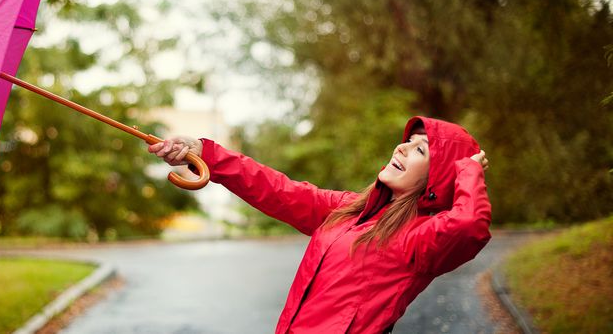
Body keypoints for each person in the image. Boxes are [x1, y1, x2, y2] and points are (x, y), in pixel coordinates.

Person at [148, 116, 491, 334]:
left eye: (421, 150)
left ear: (439, 177)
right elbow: (277, 189)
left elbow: (469, 226)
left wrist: (468, 171)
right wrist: (206, 154)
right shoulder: (348, 210)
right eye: (407, 141)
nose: (402, 148)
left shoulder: (422, 238)